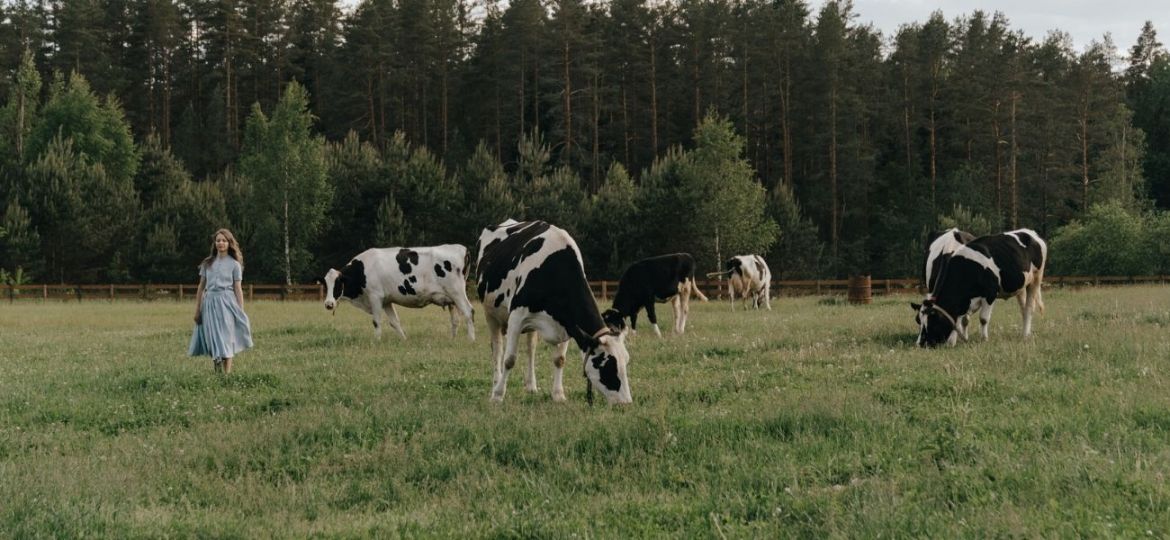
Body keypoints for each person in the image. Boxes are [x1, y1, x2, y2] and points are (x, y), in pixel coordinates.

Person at [188, 228, 253, 373]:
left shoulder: (235, 265)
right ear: (215, 243)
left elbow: (238, 288)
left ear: (229, 243)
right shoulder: (207, 263)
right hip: (210, 303)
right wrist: (197, 310)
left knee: (226, 337)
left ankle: (227, 375)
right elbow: (201, 288)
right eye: (218, 240)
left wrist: (240, 311)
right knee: (214, 338)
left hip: (227, 303)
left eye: (224, 240)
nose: (221, 243)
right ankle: (217, 372)